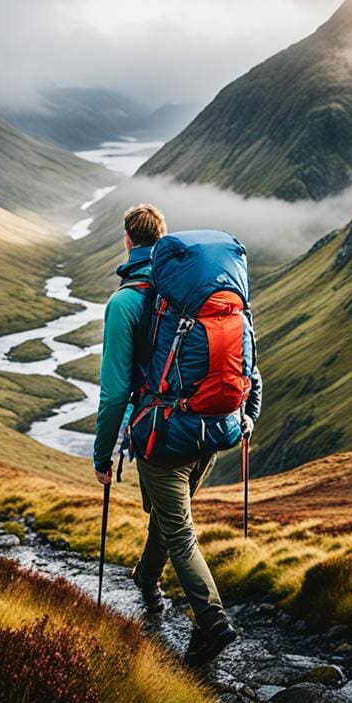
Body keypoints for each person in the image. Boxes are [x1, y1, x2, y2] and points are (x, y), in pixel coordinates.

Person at [93, 203, 262, 667]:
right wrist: (247, 413)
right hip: (214, 427)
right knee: (168, 516)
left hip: (162, 436)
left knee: (179, 529)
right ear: (164, 241)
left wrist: (102, 456)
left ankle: (212, 621)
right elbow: (250, 367)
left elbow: (113, 394)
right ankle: (147, 581)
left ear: (128, 240)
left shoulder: (127, 302)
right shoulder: (200, 293)